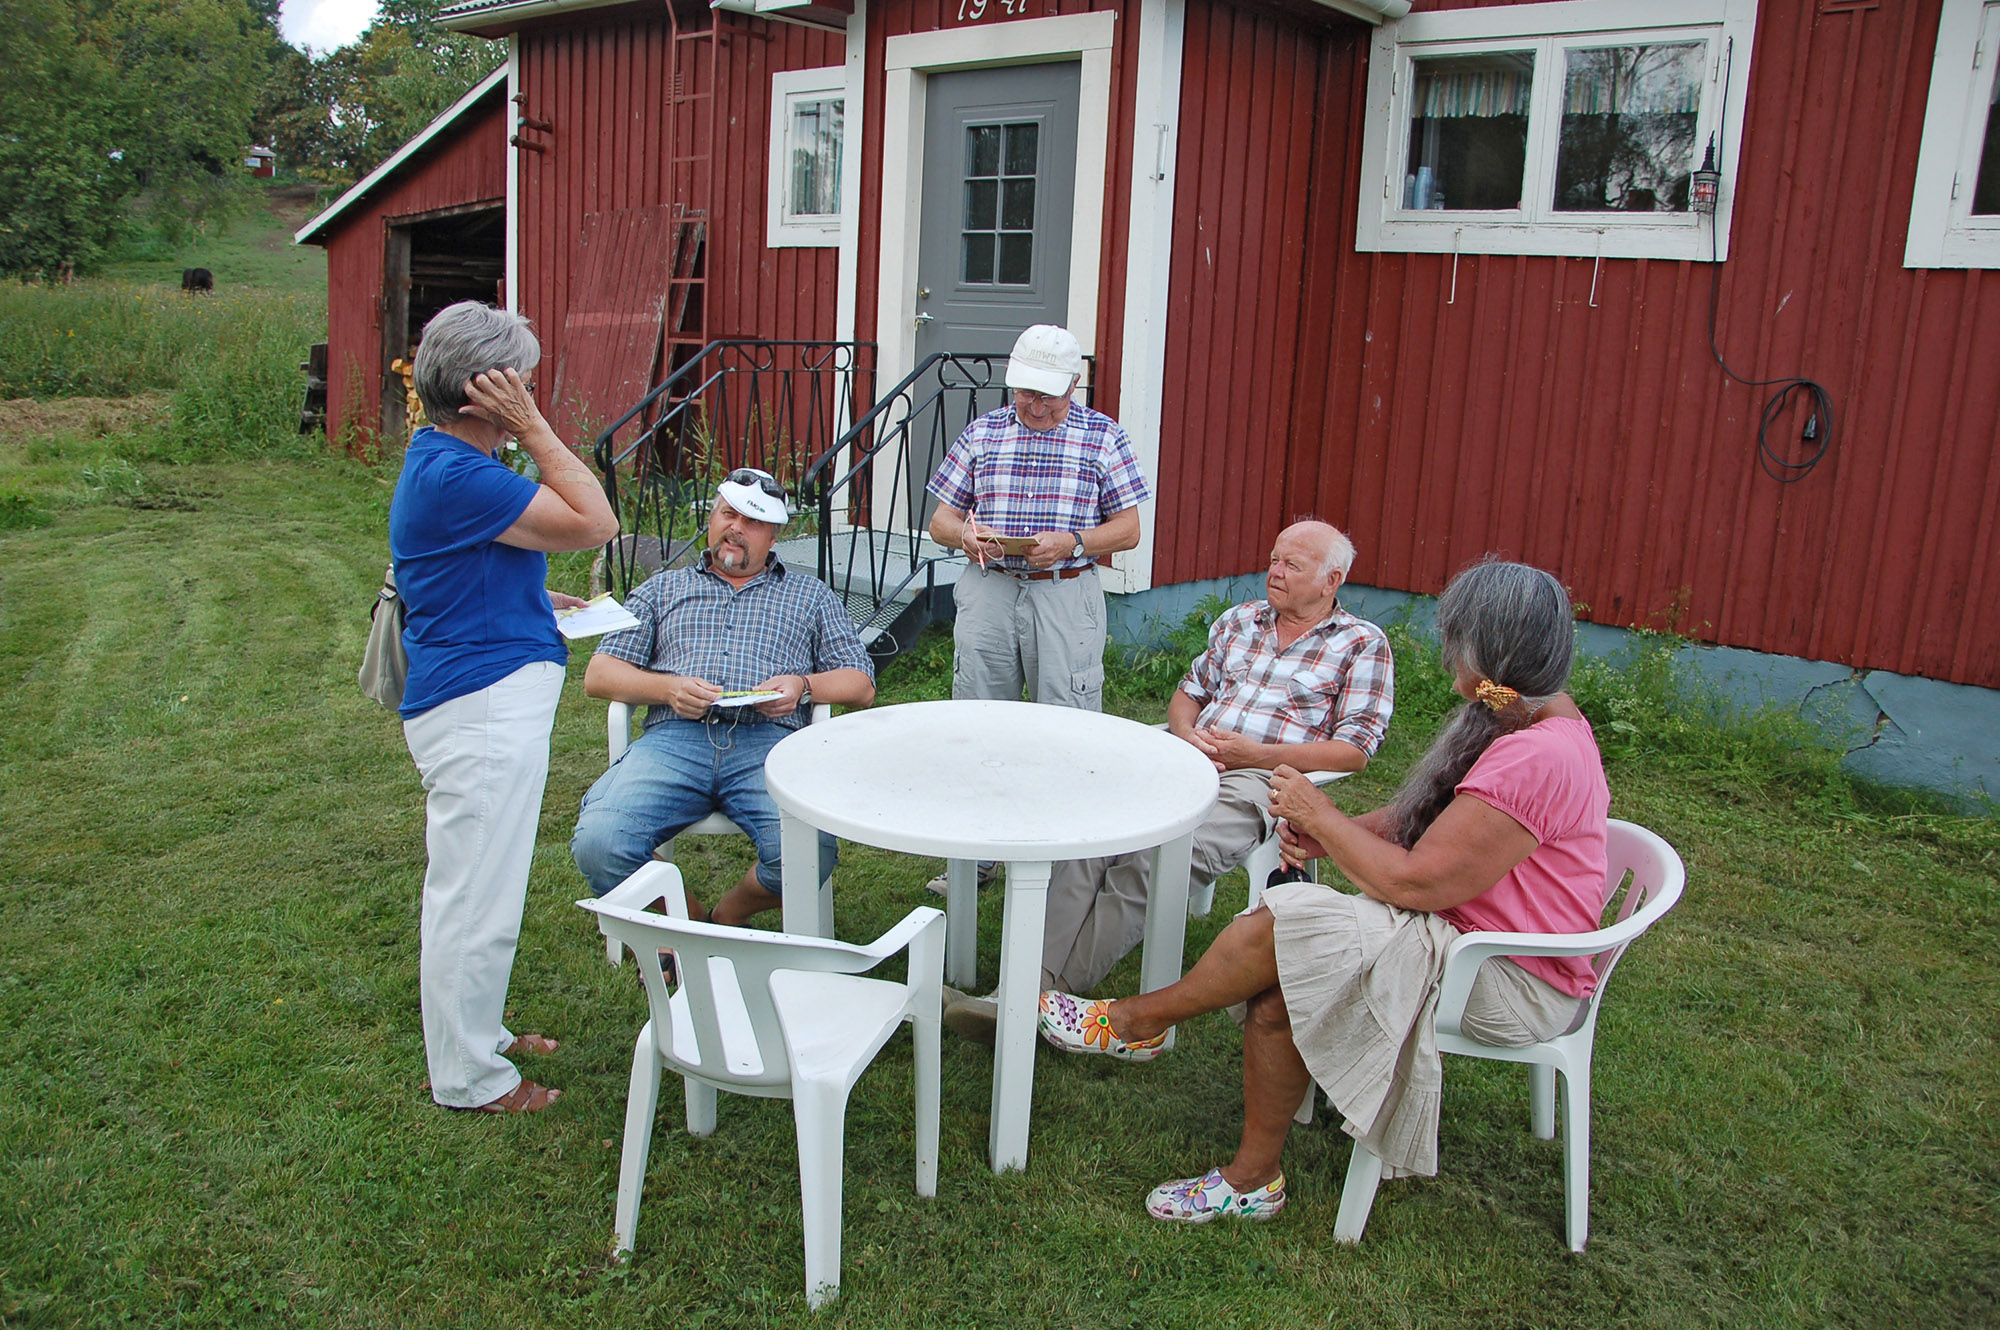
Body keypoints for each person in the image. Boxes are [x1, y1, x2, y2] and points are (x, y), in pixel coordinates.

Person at [1037, 560, 1609, 1224]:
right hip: (1474, 938)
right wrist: (1330, 833)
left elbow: (1412, 881)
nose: (1448, 653)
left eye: (1459, 642)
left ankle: (1138, 1021)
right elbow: (1417, 823)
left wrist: (1320, 818)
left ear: (1494, 655)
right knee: (1284, 969)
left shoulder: (1537, 755)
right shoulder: (1515, 715)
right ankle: (1250, 1177)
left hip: (1512, 979)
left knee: (1281, 929)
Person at [942, 520, 1394, 1043]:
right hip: (1189, 758)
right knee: (1093, 838)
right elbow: (1190, 693)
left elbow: (1354, 750)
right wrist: (1185, 731)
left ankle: (1037, 1000)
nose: (1274, 571)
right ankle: (1023, 994)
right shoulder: (1240, 620)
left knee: (1151, 861)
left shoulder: (1361, 644)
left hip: (1265, 780)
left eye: (1292, 565)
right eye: (1273, 559)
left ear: (1331, 579)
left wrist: (1260, 754)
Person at [391, 301, 619, 1115]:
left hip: (484, 689)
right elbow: (595, 522)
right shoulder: (459, 470)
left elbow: (481, 558)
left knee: (487, 889)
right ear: (486, 394)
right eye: (522, 381)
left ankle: (476, 1036)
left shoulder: (447, 463)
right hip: (479, 710)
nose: (533, 389)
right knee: (474, 899)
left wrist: (531, 596)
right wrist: (534, 429)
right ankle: (467, 1079)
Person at [570, 468, 875, 925]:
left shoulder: (809, 595)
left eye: (752, 522)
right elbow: (599, 672)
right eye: (728, 513)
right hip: (674, 740)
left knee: (807, 854)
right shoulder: (662, 588)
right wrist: (668, 688)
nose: (735, 527)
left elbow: (862, 684)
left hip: (769, 744)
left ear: (774, 535)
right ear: (712, 518)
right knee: (599, 842)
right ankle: (684, 920)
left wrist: (802, 686)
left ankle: (728, 915)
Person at [923, 323, 1151, 893]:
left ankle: (1065, 864)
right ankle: (977, 853)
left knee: (1067, 723)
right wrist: (966, 537)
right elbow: (941, 520)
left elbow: (1128, 531)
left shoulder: (1103, 437)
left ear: (1076, 383)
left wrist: (1073, 541)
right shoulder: (983, 432)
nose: (1036, 404)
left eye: (1049, 393)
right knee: (979, 717)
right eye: (1026, 391)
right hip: (990, 586)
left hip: (1065, 590)